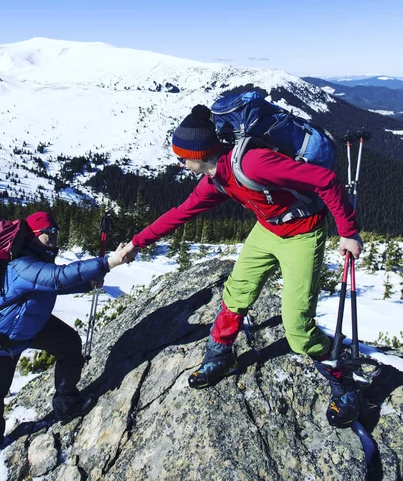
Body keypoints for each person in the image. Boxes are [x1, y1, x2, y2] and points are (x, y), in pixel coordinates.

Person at [119, 104, 363, 429]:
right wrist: (137, 243)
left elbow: (326, 180)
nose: (179, 162)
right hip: (267, 229)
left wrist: (348, 232)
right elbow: (180, 213)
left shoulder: (253, 163)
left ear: (199, 153)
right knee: (236, 293)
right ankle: (220, 353)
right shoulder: (216, 179)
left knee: (298, 331)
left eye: (183, 156)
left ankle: (343, 378)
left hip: (303, 233)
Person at [0, 211, 130, 471]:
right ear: (35, 236)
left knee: (69, 344)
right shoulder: (21, 264)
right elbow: (57, 277)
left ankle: (66, 404)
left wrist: (87, 284)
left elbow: (53, 284)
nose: (56, 238)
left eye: (57, 232)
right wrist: (108, 261)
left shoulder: (37, 260)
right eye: (51, 233)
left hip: (29, 327)